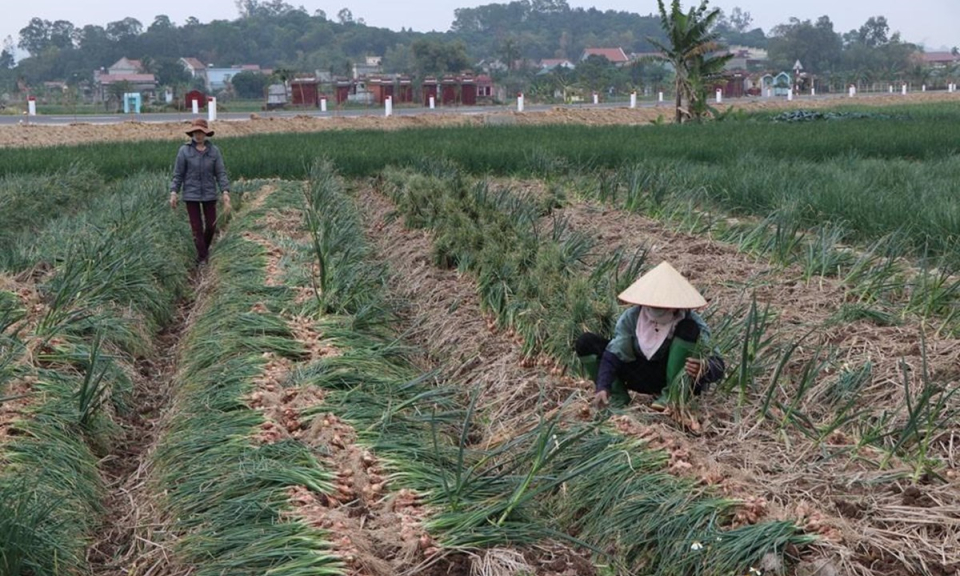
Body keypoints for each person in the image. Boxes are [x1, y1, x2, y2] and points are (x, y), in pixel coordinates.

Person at [576, 261, 725, 410]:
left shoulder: (691, 321)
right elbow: (615, 353)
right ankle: (615, 396)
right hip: (640, 373)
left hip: (674, 378)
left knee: (688, 329)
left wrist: (704, 369)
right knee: (586, 342)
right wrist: (603, 385)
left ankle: (672, 397)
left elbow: (717, 363)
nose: (658, 308)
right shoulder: (632, 317)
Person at [169, 118, 231, 265]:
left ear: (206, 134)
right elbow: (178, 174)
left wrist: (225, 192)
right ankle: (203, 258)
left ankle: (203, 251)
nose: (198, 135)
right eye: (196, 132)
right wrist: (173, 192)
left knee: (211, 225)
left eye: (201, 132)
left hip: (209, 194)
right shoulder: (184, 151)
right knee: (196, 228)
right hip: (191, 194)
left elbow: (220, 173)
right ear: (192, 133)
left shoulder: (214, 151)